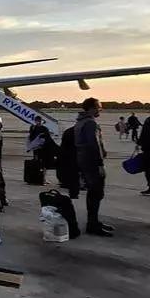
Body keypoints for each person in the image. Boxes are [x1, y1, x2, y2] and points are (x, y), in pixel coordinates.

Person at [75, 97, 114, 236]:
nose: (100, 109)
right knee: (96, 192)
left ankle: (94, 221)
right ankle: (92, 224)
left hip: (83, 160)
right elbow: (93, 144)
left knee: (93, 192)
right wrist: (100, 164)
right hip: (91, 162)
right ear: (92, 108)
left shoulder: (80, 121)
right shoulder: (90, 123)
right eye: (99, 107)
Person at [56, 123, 80, 199]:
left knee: (70, 173)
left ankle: (69, 187)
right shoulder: (81, 132)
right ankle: (74, 192)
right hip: (76, 156)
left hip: (67, 156)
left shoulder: (68, 131)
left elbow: (63, 146)